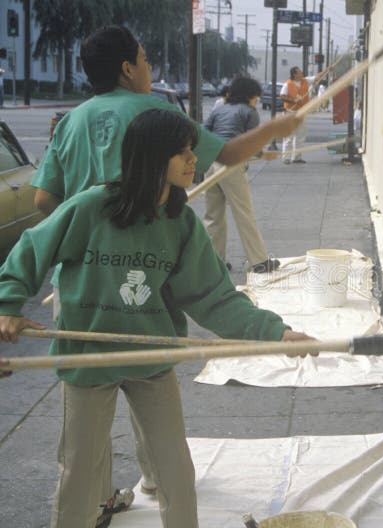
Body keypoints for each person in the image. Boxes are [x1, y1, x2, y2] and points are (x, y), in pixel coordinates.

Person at [29, 25, 300, 526]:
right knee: (115, 435)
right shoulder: (156, 120)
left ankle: (109, 494)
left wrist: (273, 330)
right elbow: (232, 155)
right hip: (106, 319)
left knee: (89, 461)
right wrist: (274, 131)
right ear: (128, 69)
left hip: (91, 300)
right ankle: (146, 478)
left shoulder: (75, 127)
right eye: (147, 60)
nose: (151, 69)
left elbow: (44, 203)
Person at [203, 77, 280, 274]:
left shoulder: (219, 109)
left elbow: (204, 133)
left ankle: (214, 262)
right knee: (243, 212)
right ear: (250, 96)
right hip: (231, 165)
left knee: (213, 215)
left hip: (211, 162)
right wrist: (263, 154)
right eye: (256, 97)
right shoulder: (248, 112)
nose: (257, 100)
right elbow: (251, 142)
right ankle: (259, 262)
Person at [279, 65, 334, 164]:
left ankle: (297, 157)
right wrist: (293, 101)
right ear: (294, 74)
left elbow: (317, 77)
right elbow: (282, 96)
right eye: (299, 72)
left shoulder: (305, 81)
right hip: (290, 113)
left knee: (300, 135)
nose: (301, 73)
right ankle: (286, 157)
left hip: (302, 112)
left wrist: (327, 70)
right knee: (289, 136)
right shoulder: (288, 84)